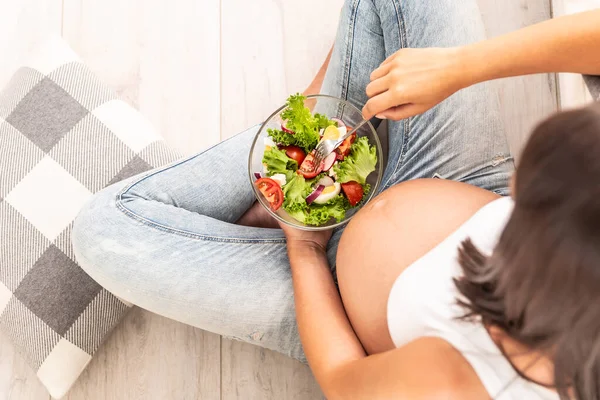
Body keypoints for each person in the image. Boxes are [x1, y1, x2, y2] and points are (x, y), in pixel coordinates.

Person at [72, 1, 600, 399]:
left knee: (102, 230)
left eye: (521, 201)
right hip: (460, 179)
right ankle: (320, 137)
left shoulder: (467, 382)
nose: (515, 197)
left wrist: (302, 249)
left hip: (337, 304)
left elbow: (346, 381)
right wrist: (459, 67)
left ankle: (304, 143)